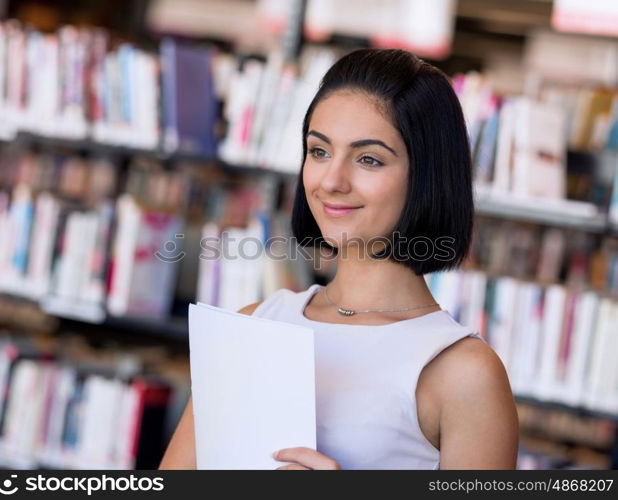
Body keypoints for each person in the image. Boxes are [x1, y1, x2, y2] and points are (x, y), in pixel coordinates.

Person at [159, 48, 519, 470]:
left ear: (427, 177)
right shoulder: (254, 325)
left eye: (369, 159)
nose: (331, 181)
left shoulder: (464, 374)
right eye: (319, 151)